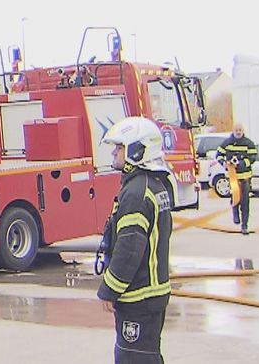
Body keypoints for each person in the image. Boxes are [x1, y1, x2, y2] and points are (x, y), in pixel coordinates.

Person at [96, 116, 173, 363]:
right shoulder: (151, 184)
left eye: (119, 147)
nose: (114, 152)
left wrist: (109, 289)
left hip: (139, 297)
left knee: (134, 358)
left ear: (136, 150)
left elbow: (129, 248)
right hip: (151, 294)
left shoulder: (136, 192)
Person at [216, 123, 258, 234]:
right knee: (235, 198)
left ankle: (244, 226)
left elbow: (253, 157)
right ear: (233, 130)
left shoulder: (248, 143)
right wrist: (224, 163)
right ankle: (235, 214)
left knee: (245, 201)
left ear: (243, 131)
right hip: (232, 176)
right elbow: (218, 155)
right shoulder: (227, 143)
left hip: (245, 177)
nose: (238, 132)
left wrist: (241, 163)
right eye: (236, 130)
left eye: (240, 130)